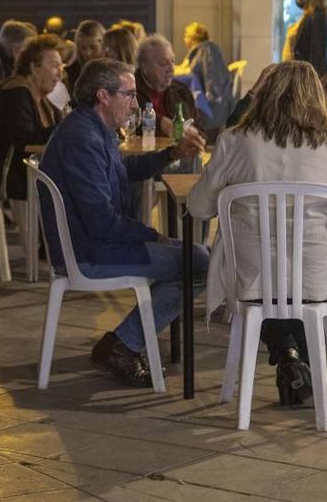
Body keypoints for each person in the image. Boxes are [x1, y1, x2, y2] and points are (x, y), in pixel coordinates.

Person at [186, 61, 327, 405]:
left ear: (266, 94)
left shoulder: (235, 141)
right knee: (296, 291)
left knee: (271, 288)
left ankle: (290, 358)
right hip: (317, 279)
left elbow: (198, 207)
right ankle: (298, 367)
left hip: (250, 277)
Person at [39, 58, 209, 387]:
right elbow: (101, 221)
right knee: (199, 262)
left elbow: (123, 171)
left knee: (197, 254)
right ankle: (124, 345)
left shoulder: (91, 129)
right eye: (129, 94)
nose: (136, 103)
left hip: (96, 242)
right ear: (104, 96)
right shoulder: (83, 140)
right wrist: (151, 235)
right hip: (89, 252)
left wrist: (171, 154)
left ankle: (124, 342)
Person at [0, 36, 64, 201]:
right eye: (54, 65)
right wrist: (67, 127)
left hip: (18, 173)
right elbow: (24, 141)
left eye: (61, 65)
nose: (60, 72)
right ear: (34, 67)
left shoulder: (41, 98)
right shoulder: (16, 94)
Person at [176, 22, 236, 132]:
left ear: (191, 38)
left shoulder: (206, 51)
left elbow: (213, 81)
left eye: (185, 36)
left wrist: (208, 109)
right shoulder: (200, 51)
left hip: (212, 110)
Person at [134, 35, 198, 136]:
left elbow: (200, 127)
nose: (171, 69)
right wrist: (160, 122)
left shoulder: (182, 91)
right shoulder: (130, 91)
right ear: (145, 67)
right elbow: (126, 122)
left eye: (172, 61)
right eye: (163, 63)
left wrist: (196, 134)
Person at [285, 0, 327, 76]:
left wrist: (311, 79)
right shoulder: (307, 16)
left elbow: (316, 51)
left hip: (305, 75)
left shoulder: (317, 17)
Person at [64, 20, 105, 90]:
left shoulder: (115, 69)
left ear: (103, 44)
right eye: (83, 48)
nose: (88, 53)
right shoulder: (73, 72)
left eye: (93, 47)